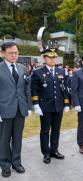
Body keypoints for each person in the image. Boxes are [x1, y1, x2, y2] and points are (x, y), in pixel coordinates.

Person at [31, 45, 70, 164]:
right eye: (49, 57)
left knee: (56, 130)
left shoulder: (61, 71)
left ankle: (54, 150)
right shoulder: (38, 72)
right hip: (45, 107)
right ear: (44, 58)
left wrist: (67, 103)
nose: (52, 59)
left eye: (54, 57)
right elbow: (34, 90)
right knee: (45, 131)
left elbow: (65, 89)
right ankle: (46, 152)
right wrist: (36, 105)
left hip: (58, 106)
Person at [0, 42, 32, 177]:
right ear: (2, 53)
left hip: (20, 109)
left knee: (18, 138)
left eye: (16, 53)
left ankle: (17, 162)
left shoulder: (22, 68)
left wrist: (29, 106)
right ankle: (5, 165)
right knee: (4, 139)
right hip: (4, 110)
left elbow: (26, 89)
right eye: (10, 53)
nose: (14, 55)